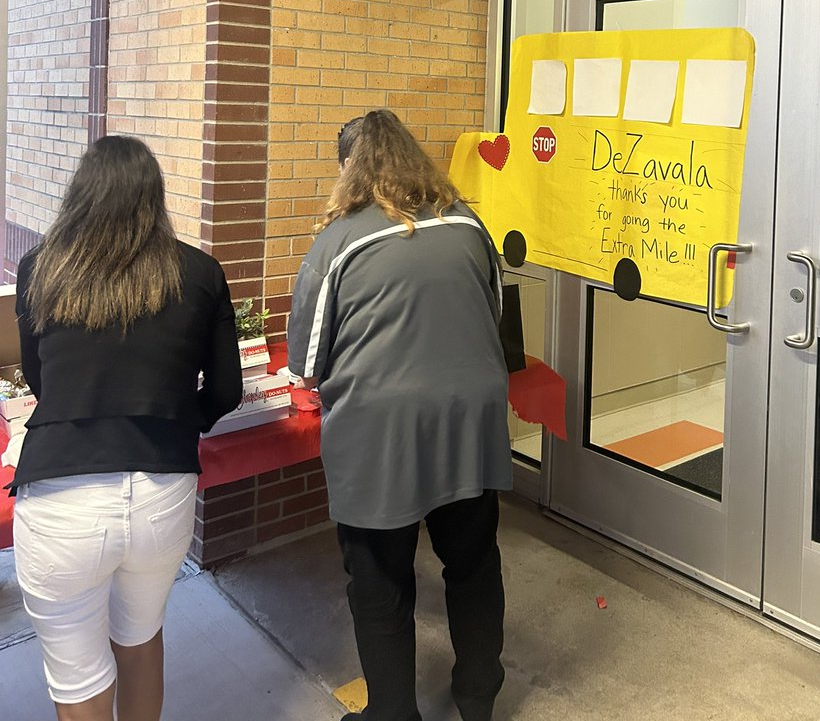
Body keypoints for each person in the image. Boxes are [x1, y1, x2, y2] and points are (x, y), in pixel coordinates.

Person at [287, 109, 513, 721]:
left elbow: (305, 358)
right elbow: (492, 315)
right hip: (471, 419)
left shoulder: (338, 241)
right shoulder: (469, 224)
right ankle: (476, 698)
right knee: (473, 561)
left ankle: (392, 713)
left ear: (347, 170)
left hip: (380, 432)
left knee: (380, 578)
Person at [10, 135, 243, 721]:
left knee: (78, 674)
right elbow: (225, 393)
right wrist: (171, 418)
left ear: (79, 194)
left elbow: (40, 379)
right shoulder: (200, 272)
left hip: (61, 495)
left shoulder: (41, 267)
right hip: (163, 494)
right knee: (140, 643)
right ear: (155, 197)